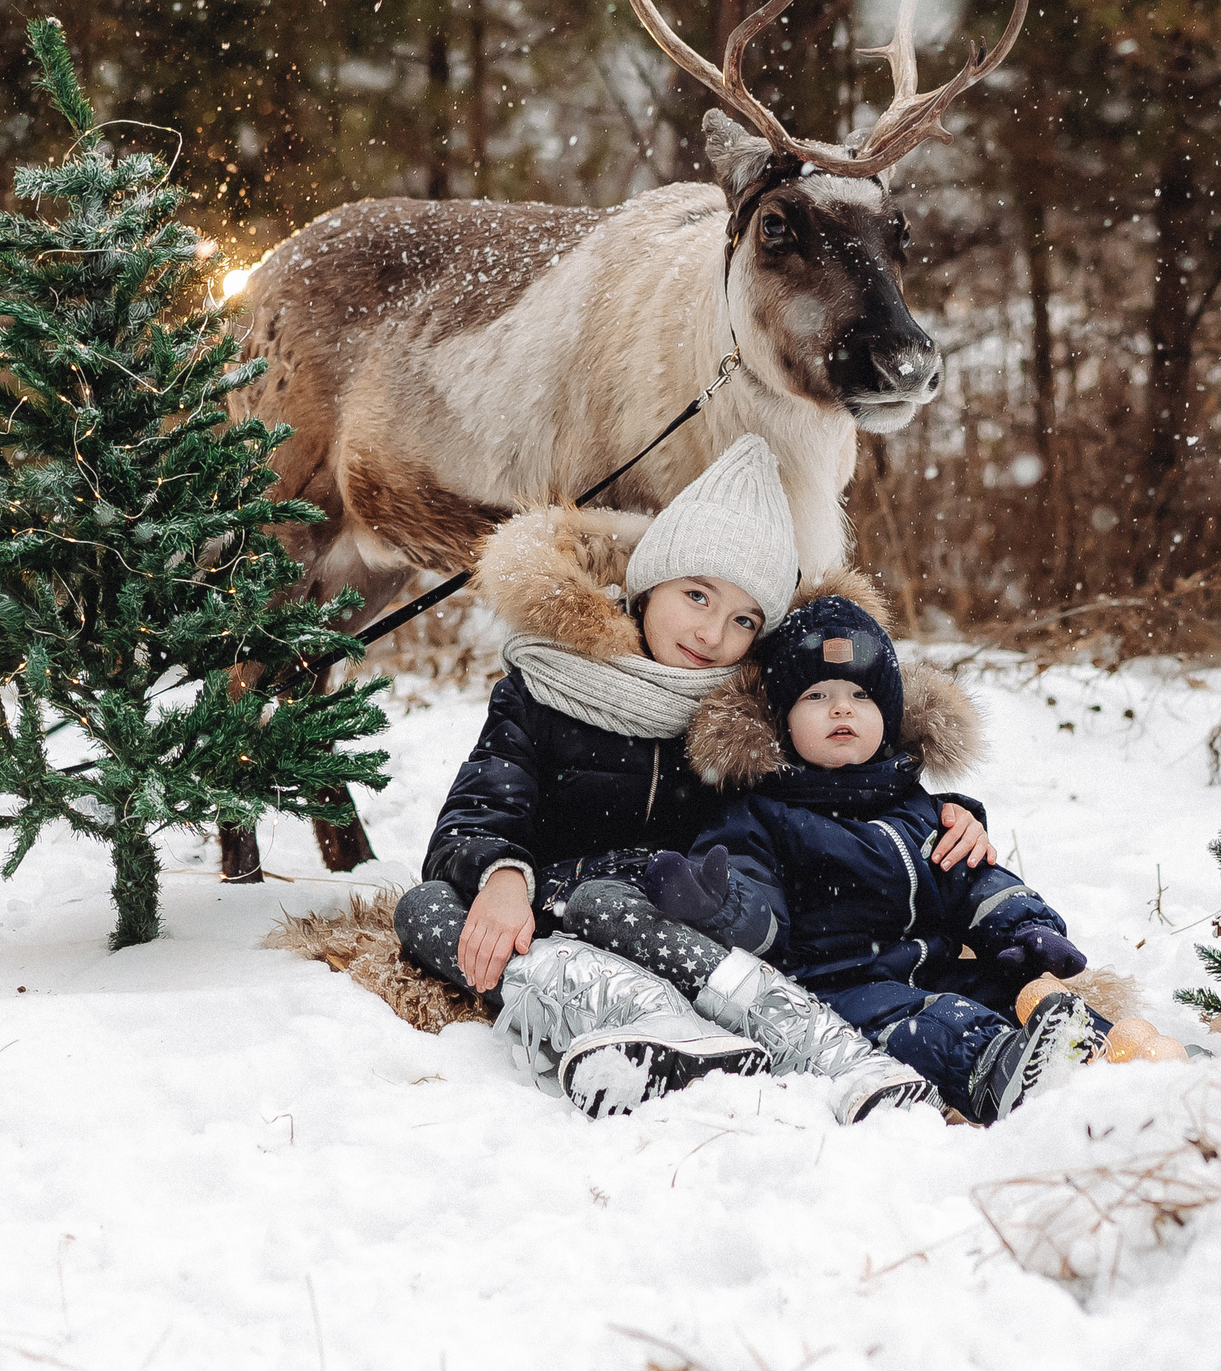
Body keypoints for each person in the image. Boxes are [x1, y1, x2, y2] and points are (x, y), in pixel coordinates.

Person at [394, 435, 982, 1118]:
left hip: (672, 912)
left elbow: (842, 786)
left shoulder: (745, 717)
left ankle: (805, 1044)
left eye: (743, 619)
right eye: (697, 595)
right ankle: (628, 1014)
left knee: (604, 902)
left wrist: (946, 811)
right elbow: (478, 811)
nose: (711, 634)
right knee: (424, 909)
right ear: (648, 587)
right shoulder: (544, 688)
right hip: (549, 905)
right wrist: (501, 878)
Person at [623, 591, 1119, 1125]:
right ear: (783, 722)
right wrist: (720, 905)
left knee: (1010, 992)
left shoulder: (918, 805)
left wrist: (1024, 929)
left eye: (861, 694)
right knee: (934, 1024)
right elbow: (761, 921)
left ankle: (1124, 1062)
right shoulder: (760, 814)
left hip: (932, 966)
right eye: (816, 696)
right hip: (837, 986)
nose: (841, 708)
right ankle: (993, 1073)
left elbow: (974, 879)